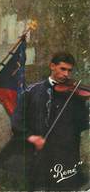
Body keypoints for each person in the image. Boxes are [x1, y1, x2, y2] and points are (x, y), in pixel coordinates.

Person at [11, 52, 89, 191]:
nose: (66, 74)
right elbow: (17, 121)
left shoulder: (76, 95)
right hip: (40, 157)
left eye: (69, 70)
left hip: (66, 156)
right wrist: (31, 137)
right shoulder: (32, 92)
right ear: (52, 66)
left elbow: (82, 124)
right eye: (63, 69)